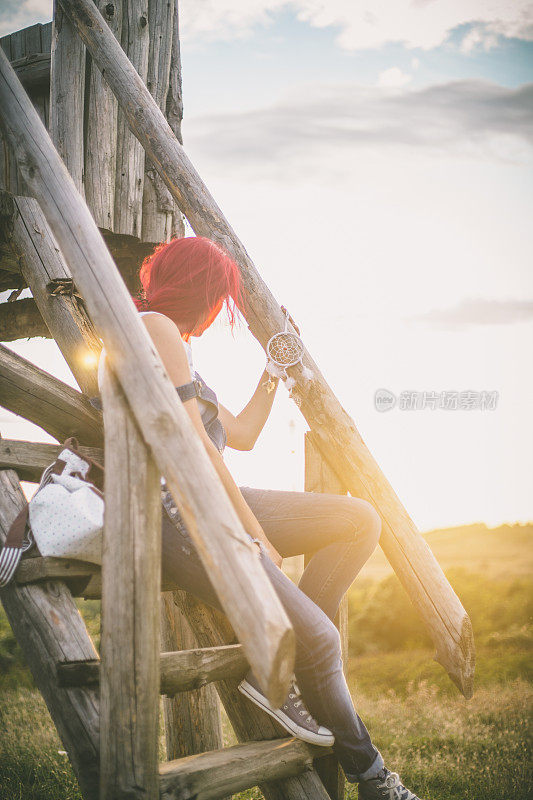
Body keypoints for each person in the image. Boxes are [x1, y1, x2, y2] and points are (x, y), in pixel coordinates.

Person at [94, 235, 425, 800]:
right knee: (321, 638)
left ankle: (285, 658)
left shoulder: (168, 343)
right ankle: (374, 776)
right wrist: (252, 531)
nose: (219, 310)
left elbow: (238, 436)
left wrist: (273, 368)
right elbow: (195, 447)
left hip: (216, 498)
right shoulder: (154, 328)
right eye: (219, 296)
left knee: (358, 521)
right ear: (200, 291)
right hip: (183, 515)